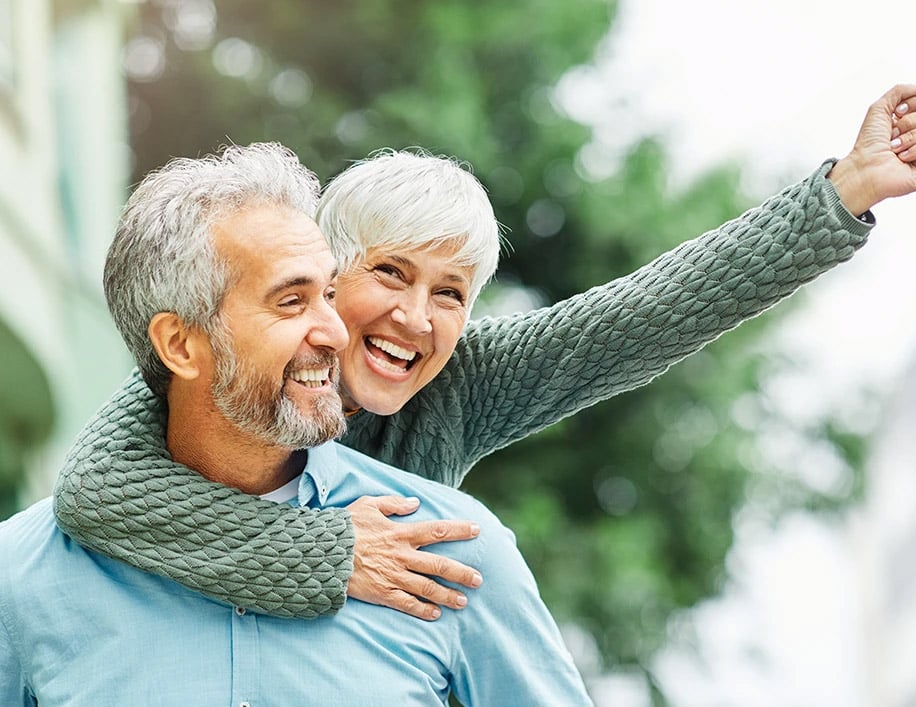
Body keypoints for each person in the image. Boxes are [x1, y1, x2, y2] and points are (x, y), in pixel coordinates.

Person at [53, 82, 916, 620]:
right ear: (322, 273)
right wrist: (326, 552)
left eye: (450, 294)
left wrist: (844, 194)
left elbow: (645, 314)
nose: (415, 316)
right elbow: (94, 489)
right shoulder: (220, 367)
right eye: (389, 274)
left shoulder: (462, 387)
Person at [0, 142, 593, 706]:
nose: (336, 332)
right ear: (180, 345)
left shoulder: (452, 551)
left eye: (330, 294)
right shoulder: (22, 576)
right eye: (291, 302)